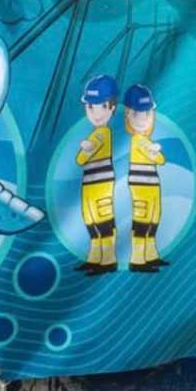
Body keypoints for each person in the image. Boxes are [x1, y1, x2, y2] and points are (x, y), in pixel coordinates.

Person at [74, 74, 118, 276]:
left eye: (101, 106)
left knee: (103, 219)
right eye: (90, 107)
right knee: (90, 219)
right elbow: (81, 158)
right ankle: (94, 257)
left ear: (111, 108)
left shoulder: (102, 133)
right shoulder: (94, 134)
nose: (95, 112)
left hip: (101, 184)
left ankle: (107, 258)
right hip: (90, 184)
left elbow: (82, 158)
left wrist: (87, 148)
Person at [124, 84, 166, 273]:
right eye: (137, 114)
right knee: (142, 221)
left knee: (153, 219)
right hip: (140, 186)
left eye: (146, 114)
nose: (142, 120)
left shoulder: (147, 141)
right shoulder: (137, 140)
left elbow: (161, 159)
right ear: (128, 115)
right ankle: (137, 259)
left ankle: (151, 255)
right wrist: (154, 151)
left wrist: (155, 152)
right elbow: (154, 156)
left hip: (153, 185)